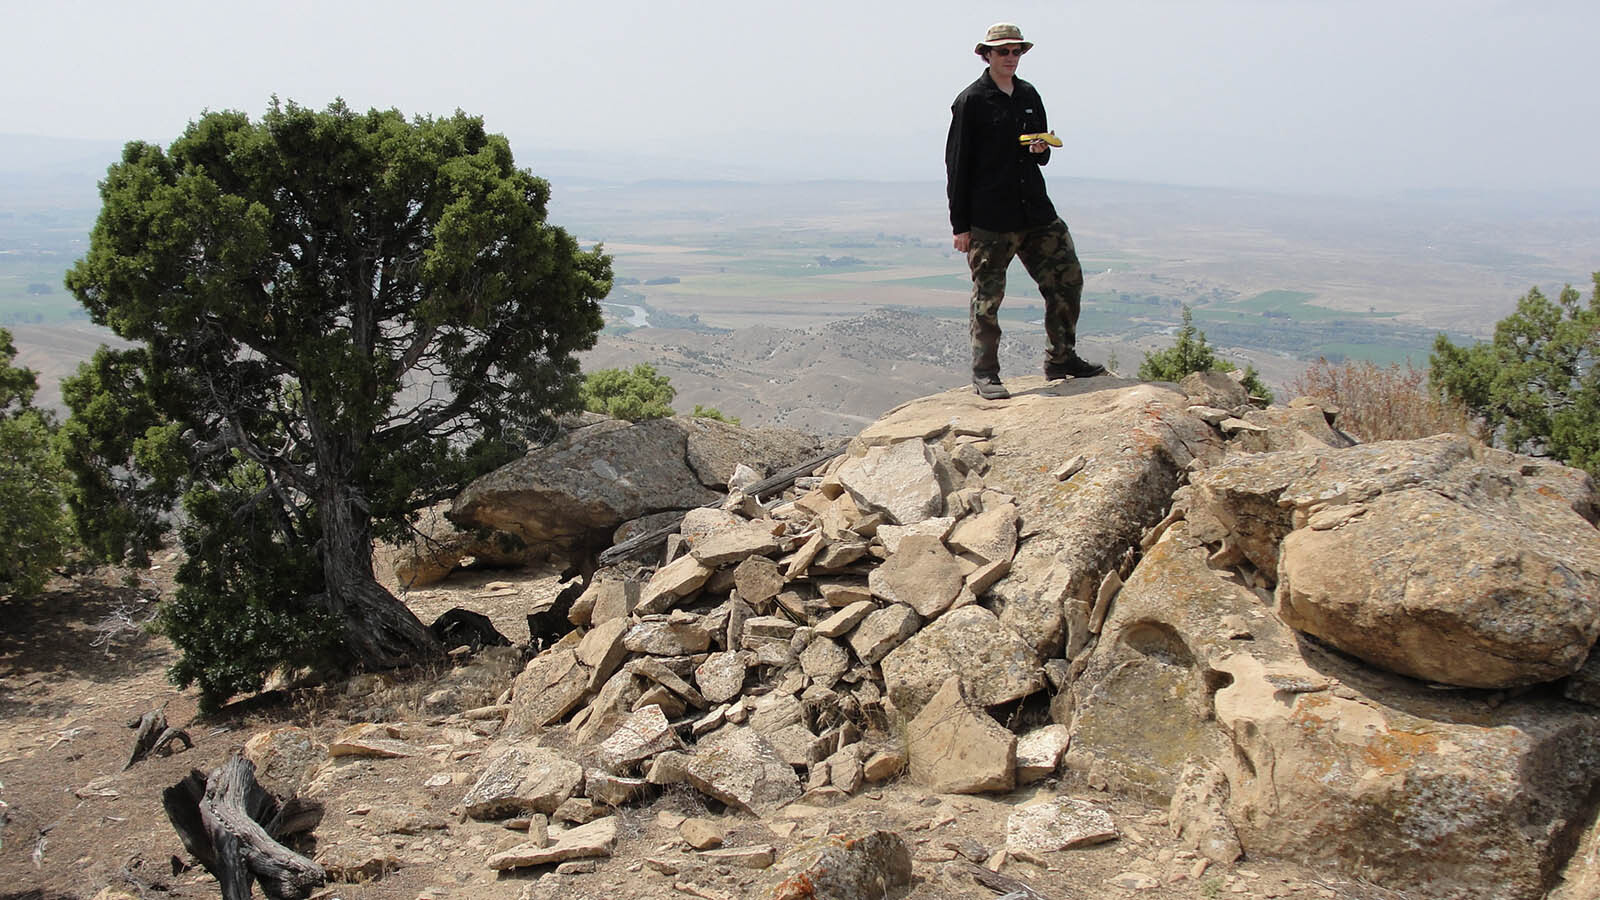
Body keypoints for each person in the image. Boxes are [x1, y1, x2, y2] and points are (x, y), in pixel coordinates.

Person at [947, 22, 1107, 400]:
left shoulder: (1029, 95)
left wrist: (1040, 149)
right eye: (1003, 51)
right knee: (988, 299)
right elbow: (957, 164)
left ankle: (1061, 359)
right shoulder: (971, 101)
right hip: (991, 218)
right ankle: (985, 374)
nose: (1011, 58)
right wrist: (960, 226)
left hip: (1035, 212)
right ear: (986, 54)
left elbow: (1043, 152)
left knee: (1067, 280)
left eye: (1016, 51)